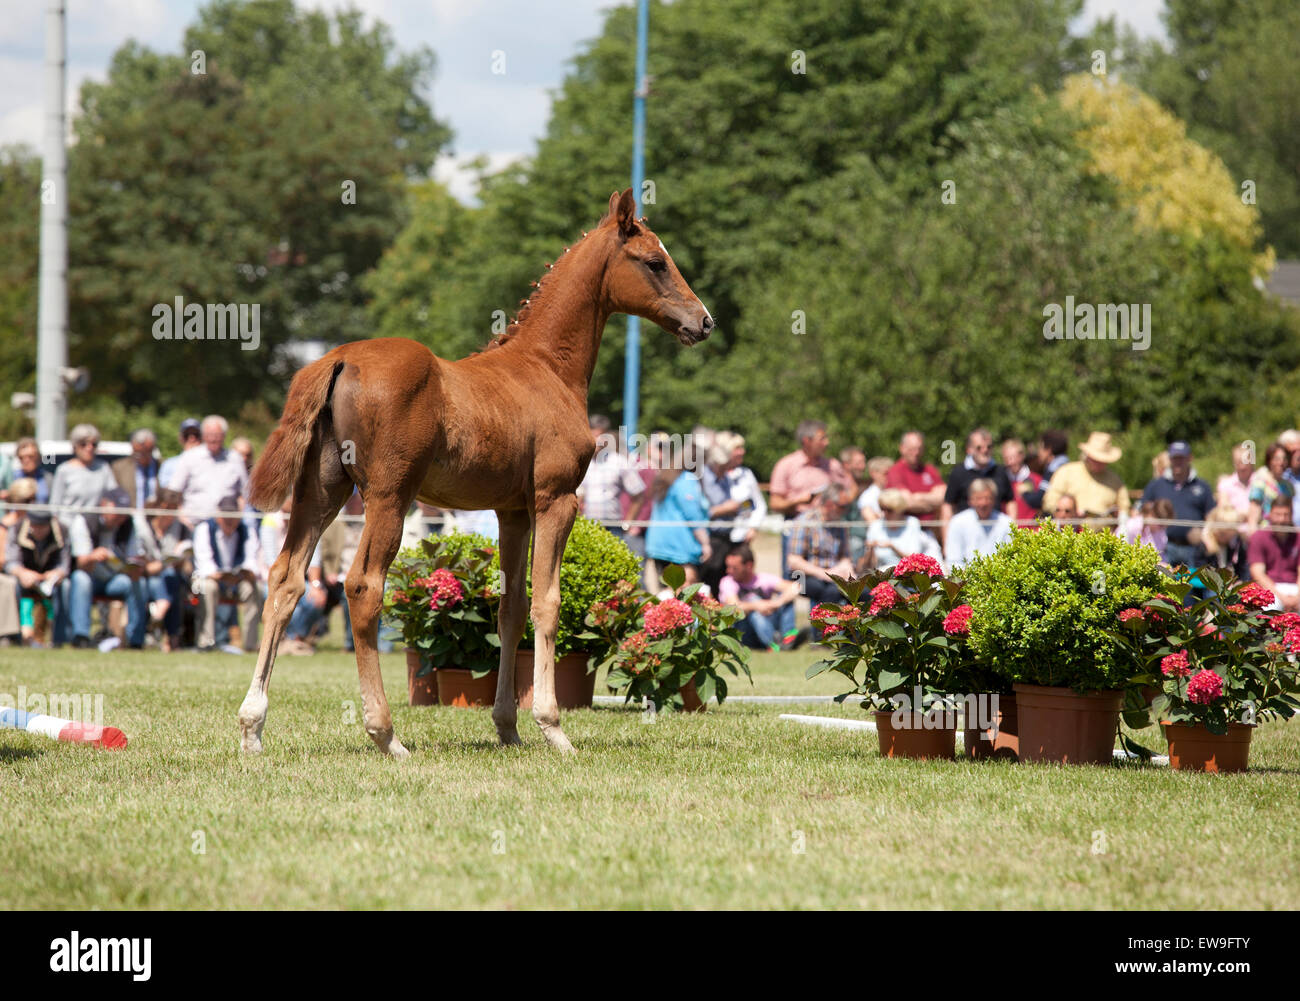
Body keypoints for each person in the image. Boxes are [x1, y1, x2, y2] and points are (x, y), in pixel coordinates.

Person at [64, 487, 149, 649]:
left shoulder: (129, 524)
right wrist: (93, 556)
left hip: (115, 579)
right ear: (104, 505)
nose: (120, 517)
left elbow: (134, 557)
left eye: (123, 513)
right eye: (117, 511)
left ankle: (136, 640)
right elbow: (81, 563)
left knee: (137, 583)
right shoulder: (84, 520)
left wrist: (135, 568)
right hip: (90, 576)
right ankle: (80, 637)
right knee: (80, 579)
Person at [769, 420, 854, 575]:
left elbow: (850, 490)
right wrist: (799, 500)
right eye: (822, 439)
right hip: (796, 526)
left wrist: (841, 504)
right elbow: (774, 502)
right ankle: (789, 599)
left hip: (826, 527)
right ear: (806, 441)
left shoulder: (832, 465)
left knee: (825, 580)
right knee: (795, 577)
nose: (827, 443)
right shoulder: (786, 465)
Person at [699, 432, 767, 594]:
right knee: (713, 582)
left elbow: (755, 504)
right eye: (737, 448)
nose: (742, 452)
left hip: (739, 539)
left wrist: (753, 527)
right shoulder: (708, 476)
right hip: (716, 538)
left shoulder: (745, 474)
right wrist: (725, 509)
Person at [192, 496, 261, 652]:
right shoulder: (204, 529)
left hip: (238, 580)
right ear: (218, 517)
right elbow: (204, 564)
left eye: (233, 517)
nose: (230, 521)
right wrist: (220, 575)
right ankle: (206, 642)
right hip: (213, 579)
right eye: (226, 517)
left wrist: (243, 573)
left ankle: (250, 645)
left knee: (254, 588)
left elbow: (251, 561)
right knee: (207, 587)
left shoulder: (247, 530)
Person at [1138, 441, 1214, 570]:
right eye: (1175, 458)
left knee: (1191, 587)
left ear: (1190, 458)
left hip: (1194, 549)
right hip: (1163, 547)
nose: (1178, 462)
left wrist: (1205, 534)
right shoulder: (1156, 485)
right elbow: (1141, 510)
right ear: (1170, 459)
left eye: (1181, 458)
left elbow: (1211, 515)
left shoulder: (1202, 486)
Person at [3, 497, 70, 647]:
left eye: (42, 526)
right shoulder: (18, 527)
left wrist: (56, 574)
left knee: (66, 586)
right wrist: (21, 573)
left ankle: (60, 639)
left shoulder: (62, 531)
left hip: (51, 579)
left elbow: (65, 565)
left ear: (49, 524)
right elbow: (10, 561)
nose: (38, 530)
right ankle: (14, 637)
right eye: (35, 526)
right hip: (24, 577)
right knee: (10, 584)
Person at [718, 545, 806, 651]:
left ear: (749, 566)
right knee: (753, 607)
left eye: (734, 568)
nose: (729, 571)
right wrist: (757, 605)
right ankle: (774, 644)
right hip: (744, 632)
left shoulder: (762, 579)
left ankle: (788, 638)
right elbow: (733, 607)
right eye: (728, 566)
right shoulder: (727, 581)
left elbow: (796, 587)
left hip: (768, 622)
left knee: (786, 599)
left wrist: (777, 603)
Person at [644, 449, 711, 584]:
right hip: (679, 547)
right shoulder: (687, 480)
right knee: (683, 591)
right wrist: (705, 543)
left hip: (659, 546)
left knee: (668, 592)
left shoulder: (666, 477)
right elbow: (693, 516)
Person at [169, 414, 250, 523]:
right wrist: (184, 521)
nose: (212, 438)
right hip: (194, 524)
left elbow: (245, 493)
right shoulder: (189, 457)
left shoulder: (235, 458)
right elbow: (174, 492)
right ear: (203, 435)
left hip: (228, 528)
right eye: (209, 434)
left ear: (224, 435)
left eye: (217, 435)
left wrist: (238, 517)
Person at [138, 488, 191, 652]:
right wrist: (162, 564)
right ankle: (172, 639)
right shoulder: (143, 527)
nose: (171, 515)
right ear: (158, 507)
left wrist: (181, 560)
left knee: (170, 578)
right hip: (148, 577)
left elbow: (188, 568)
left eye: (175, 510)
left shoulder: (182, 529)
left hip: (174, 577)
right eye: (168, 509)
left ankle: (158, 617)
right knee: (168, 581)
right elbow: (142, 567)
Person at [577, 414, 645, 542]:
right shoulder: (580, 462)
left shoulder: (618, 462)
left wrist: (628, 522)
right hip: (585, 526)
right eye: (594, 435)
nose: (597, 440)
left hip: (613, 527)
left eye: (600, 436)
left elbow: (639, 494)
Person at [1042, 431, 1130, 525]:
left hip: (1104, 536)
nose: (1098, 462)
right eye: (1095, 459)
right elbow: (1049, 502)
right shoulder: (1066, 472)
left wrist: (1118, 514)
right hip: (1069, 534)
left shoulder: (1115, 480)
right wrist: (1070, 512)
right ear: (1087, 455)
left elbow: (1125, 507)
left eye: (1102, 460)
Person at [786, 485, 855, 606]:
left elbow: (845, 557)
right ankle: (823, 623)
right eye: (842, 507)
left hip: (833, 575)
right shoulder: (804, 521)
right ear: (829, 504)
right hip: (801, 575)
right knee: (830, 591)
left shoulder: (841, 524)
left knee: (858, 591)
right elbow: (794, 561)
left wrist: (849, 573)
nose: (845, 511)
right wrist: (825, 574)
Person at [942, 428, 1014, 524]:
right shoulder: (958, 472)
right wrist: (947, 536)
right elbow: (948, 505)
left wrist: (1012, 529)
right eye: (979, 447)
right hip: (965, 533)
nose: (985, 450)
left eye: (989, 447)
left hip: (995, 533)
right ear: (969, 449)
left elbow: (1010, 502)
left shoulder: (1000, 471)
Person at [864, 488, 943, 572]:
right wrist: (870, 551)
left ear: (899, 509)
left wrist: (892, 547)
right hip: (883, 574)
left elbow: (914, 560)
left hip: (907, 575)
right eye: (882, 509)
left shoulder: (912, 523)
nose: (885, 513)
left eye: (889, 510)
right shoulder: (875, 526)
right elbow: (867, 567)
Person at [49, 424, 116, 517]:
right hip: (67, 525)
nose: (89, 448)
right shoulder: (64, 470)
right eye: (83, 444)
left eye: (94, 444)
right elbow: (55, 504)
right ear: (75, 446)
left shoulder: (104, 468)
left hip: (95, 527)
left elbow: (113, 495)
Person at [944, 479, 1013, 569]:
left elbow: (1011, 558)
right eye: (978, 498)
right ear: (970, 500)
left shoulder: (1006, 523)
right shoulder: (958, 522)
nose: (983, 503)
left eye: (987, 498)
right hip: (965, 579)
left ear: (994, 499)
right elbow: (953, 560)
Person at [1246, 496, 1299, 612]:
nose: (1282, 519)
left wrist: (1297, 597)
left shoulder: (1298, 537)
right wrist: (1283, 597)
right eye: (1278, 514)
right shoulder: (1259, 537)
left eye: (1286, 515)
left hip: (1295, 588)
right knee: (1270, 608)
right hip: (1270, 588)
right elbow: (1258, 574)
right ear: (1270, 514)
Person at [883, 430, 945, 527]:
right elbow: (906, 502)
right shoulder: (895, 471)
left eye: (919, 449)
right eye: (912, 449)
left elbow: (943, 497)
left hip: (929, 531)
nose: (916, 453)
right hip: (905, 530)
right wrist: (932, 504)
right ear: (902, 448)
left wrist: (918, 496)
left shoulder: (930, 470)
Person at [1246, 442, 1293, 531]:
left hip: (1284, 534)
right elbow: (1253, 514)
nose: (1281, 462)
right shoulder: (1260, 483)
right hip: (1265, 531)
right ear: (1269, 460)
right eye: (1277, 459)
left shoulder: (1288, 486)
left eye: (1284, 459)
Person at [111, 428, 160, 512]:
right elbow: (113, 495)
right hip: (129, 518)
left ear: (152, 448)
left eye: (144, 452)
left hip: (155, 518)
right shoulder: (119, 467)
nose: (139, 455)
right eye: (136, 451)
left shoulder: (161, 466)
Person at [1021, 430, 1068, 513]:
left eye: (1040, 447)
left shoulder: (1054, 471)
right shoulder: (1067, 466)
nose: (1038, 452)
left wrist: (1025, 492)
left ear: (1048, 450)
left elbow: (1039, 500)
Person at [1198, 506, 1250, 582]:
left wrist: (1239, 582)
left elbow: (1243, 569)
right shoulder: (1203, 545)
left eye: (1229, 531)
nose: (1226, 535)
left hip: (1231, 585)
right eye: (1222, 532)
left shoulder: (1237, 543)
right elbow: (1201, 572)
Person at [1002, 438, 1043, 526]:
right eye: (1006, 459)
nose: (1010, 462)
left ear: (1022, 456)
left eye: (1013, 458)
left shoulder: (1037, 480)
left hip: (1031, 534)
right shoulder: (1001, 480)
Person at [1, 437, 50, 503]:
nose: (26, 460)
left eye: (30, 456)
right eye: (21, 457)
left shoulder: (47, 478)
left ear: (38, 456)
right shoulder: (12, 477)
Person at [158, 418, 202, 488]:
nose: (192, 438)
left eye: (196, 434)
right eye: (187, 435)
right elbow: (168, 491)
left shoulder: (212, 462)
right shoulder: (168, 465)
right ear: (180, 438)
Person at [1216, 443, 1255, 519]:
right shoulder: (1225, 484)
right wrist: (1251, 514)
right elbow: (1224, 512)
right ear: (1233, 462)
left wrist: (1236, 513)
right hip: (1232, 529)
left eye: (1245, 462)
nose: (1242, 466)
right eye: (1238, 462)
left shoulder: (1261, 481)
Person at [856, 456, 892, 523]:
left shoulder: (893, 492)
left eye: (891, 473)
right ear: (873, 473)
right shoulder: (867, 497)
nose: (889, 476)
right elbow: (872, 523)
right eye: (885, 473)